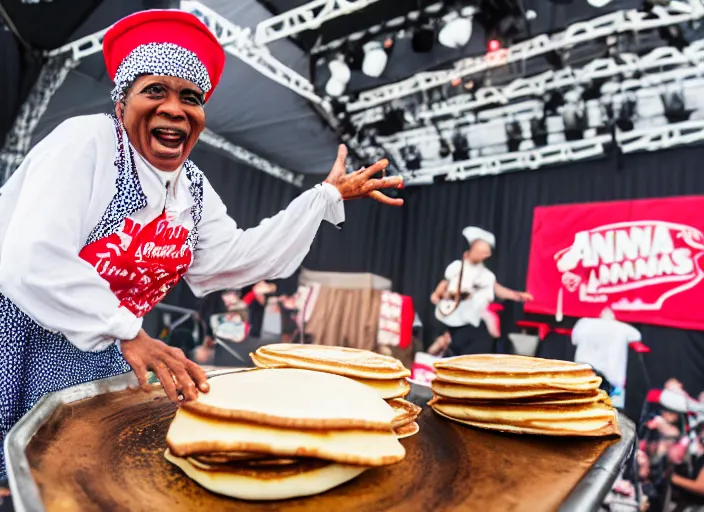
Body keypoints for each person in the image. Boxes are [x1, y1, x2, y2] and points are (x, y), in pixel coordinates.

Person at [0, 10, 402, 478]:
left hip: (101, 347)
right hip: (18, 337)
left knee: (71, 471)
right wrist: (128, 331)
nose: (174, 108)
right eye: (155, 91)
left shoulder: (189, 185)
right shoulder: (87, 142)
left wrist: (324, 197)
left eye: (190, 97)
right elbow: (31, 258)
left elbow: (230, 259)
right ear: (120, 104)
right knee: (21, 467)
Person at [428, 226, 531, 356]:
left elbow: (498, 290)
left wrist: (518, 296)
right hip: (450, 319)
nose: (484, 255)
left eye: (486, 253)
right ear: (473, 248)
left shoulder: (487, 275)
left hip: (471, 324)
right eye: (481, 251)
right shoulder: (456, 267)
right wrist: (438, 295)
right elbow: (443, 286)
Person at [571, 308, 641, 409]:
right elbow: (637, 335)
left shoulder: (584, 324)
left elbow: (574, 339)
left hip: (586, 377)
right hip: (611, 379)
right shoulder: (621, 327)